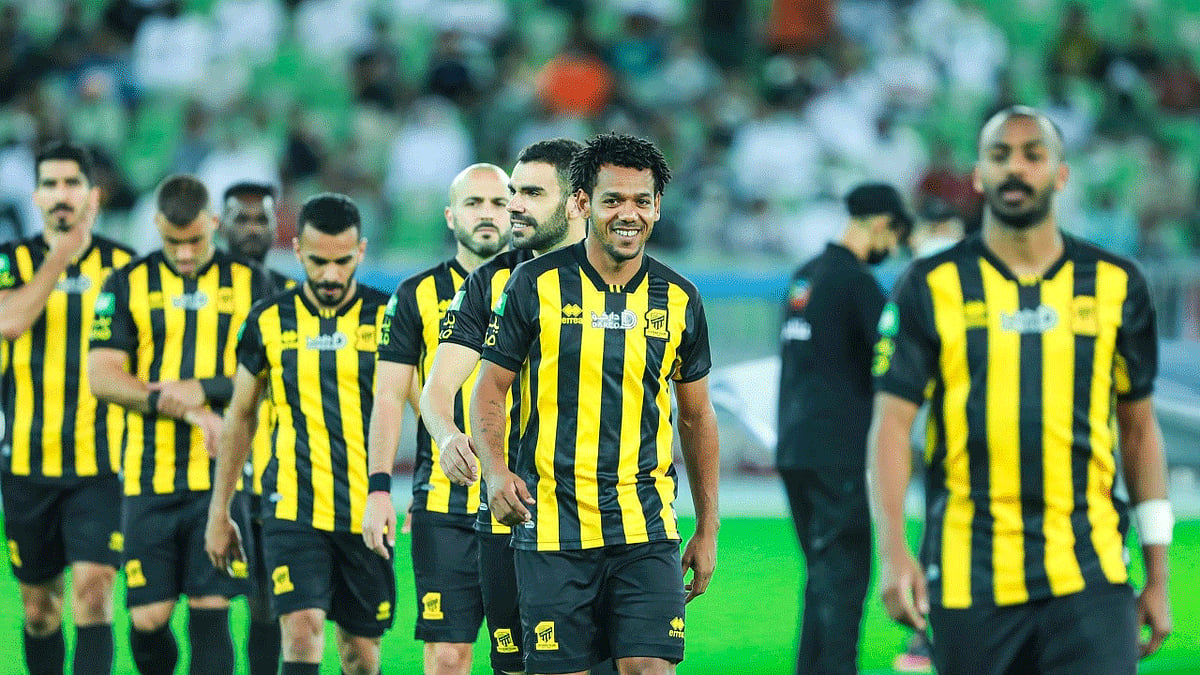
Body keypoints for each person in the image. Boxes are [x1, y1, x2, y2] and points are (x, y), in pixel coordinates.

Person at [868, 105, 1173, 675]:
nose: (1016, 168)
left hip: (1092, 573)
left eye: (1033, 155)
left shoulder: (1115, 283)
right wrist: (893, 552)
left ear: (1061, 173)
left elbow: (1139, 431)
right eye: (999, 155)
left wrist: (1157, 574)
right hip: (969, 576)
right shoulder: (931, 285)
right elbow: (890, 425)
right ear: (978, 175)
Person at [471, 132, 720, 675]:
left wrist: (708, 526)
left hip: (645, 529)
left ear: (657, 206)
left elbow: (697, 415)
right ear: (583, 203)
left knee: (650, 668)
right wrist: (495, 472)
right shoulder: (533, 285)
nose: (628, 214)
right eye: (613, 200)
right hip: (552, 530)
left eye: (641, 201)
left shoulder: (680, 297)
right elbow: (489, 388)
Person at [206, 192, 395, 675]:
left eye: (342, 261)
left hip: (364, 509)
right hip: (290, 506)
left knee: (359, 653)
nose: (330, 275)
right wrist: (219, 510)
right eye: (317, 261)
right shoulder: (268, 319)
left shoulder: (389, 317)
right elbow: (240, 417)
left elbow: (419, 403)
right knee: (302, 627)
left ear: (361, 251)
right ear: (296, 250)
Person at [88, 173, 269, 674]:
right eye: (173, 242)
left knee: (211, 611)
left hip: (221, 479)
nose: (185, 254)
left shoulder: (252, 282)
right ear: (155, 225)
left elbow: (273, 370)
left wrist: (203, 389)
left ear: (213, 223)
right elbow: (102, 376)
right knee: (149, 618)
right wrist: (183, 406)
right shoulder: (126, 282)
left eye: (194, 241)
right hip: (147, 476)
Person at [419, 138, 587, 675]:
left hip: (601, 513)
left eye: (530, 193)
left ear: (577, 201)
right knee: (514, 666)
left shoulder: (627, 280)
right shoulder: (488, 282)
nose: (512, 205)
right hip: (509, 508)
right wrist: (447, 435)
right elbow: (437, 389)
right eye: (513, 191)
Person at [362, 162, 511, 675]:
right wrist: (380, 488)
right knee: (448, 656)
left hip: (526, 499)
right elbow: (388, 397)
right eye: (474, 203)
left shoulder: (541, 285)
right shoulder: (414, 295)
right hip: (445, 504)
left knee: (527, 654)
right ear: (451, 216)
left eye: (498, 203)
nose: (486, 213)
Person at [0, 142, 134, 675]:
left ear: (93, 195)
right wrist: (61, 255)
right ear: (35, 196)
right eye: (50, 184)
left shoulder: (124, 267)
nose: (61, 195)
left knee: (94, 594)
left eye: (72, 183)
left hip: (101, 465)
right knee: (39, 612)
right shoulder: (9, 261)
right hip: (27, 463)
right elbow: (9, 322)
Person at [776, 182, 912, 675]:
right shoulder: (857, 284)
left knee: (822, 576)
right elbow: (893, 363)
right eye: (894, 239)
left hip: (794, 449)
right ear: (883, 225)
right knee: (845, 578)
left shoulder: (804, 277)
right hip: (839, 453)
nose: (891, 250)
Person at [219, 181, 295, 675]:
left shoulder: (289, 295)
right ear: (220, 225)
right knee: (195, 602)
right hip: (198, 463)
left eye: (260, 219)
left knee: (267, 604)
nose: (251, 228)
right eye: (241, 219)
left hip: (270, 468)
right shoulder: (197, 290)